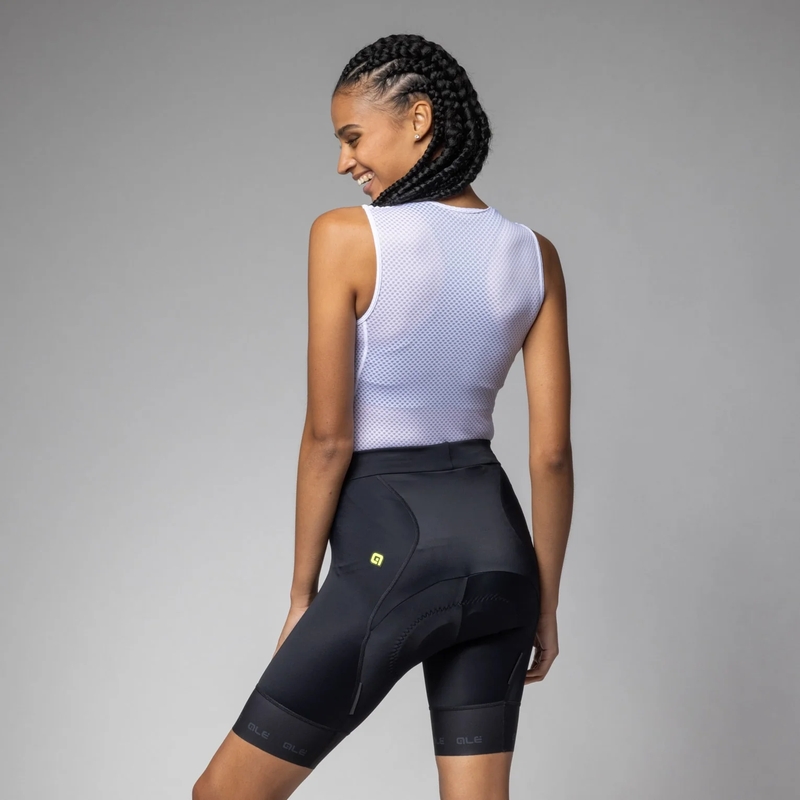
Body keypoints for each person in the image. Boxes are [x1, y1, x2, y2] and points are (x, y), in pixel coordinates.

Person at [193, 32, 572, 800]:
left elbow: (328, 438)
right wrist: (545, 600)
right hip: (503, 554)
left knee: (223, 797)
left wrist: (302, 595)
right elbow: (552, 456)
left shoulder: (345, 236)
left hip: (393, 555)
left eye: (352, 136)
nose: (344, 162)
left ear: (419, 117)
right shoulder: (535, 255)